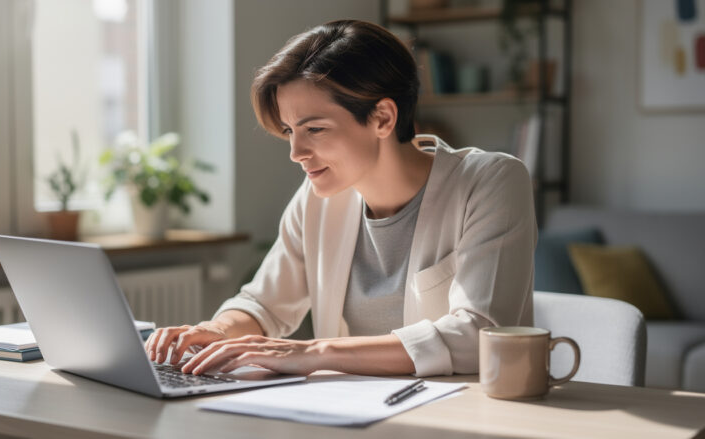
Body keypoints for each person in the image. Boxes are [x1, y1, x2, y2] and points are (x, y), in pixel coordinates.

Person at [144, 20, 536, 378]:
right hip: (347, 417)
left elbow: (479, 334)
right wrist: (214, 331)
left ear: (382, 117)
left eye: (314, 128)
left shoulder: (491, 182)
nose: (296, 151)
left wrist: (314, 351)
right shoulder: (318, 198)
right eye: (290, 130)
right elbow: (263, 304)